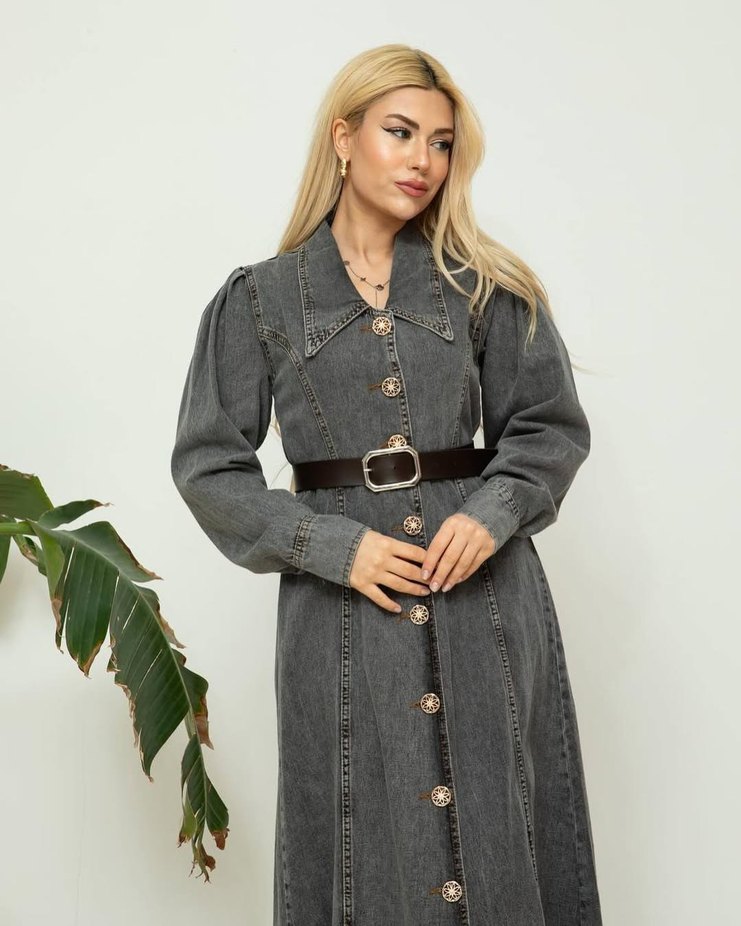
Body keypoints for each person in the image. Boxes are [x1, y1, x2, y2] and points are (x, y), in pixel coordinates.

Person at [170, 43, 603, 925]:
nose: (422, 161)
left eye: (440, 144)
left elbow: (548, 427)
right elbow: (208, 466)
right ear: (343, 137)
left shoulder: (482, 286)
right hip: (339, 612)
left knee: (497, 819)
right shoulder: (258, 300)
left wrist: (491, 513)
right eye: (400, 133)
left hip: (480, 593)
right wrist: (330, 544)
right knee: (356, 824)